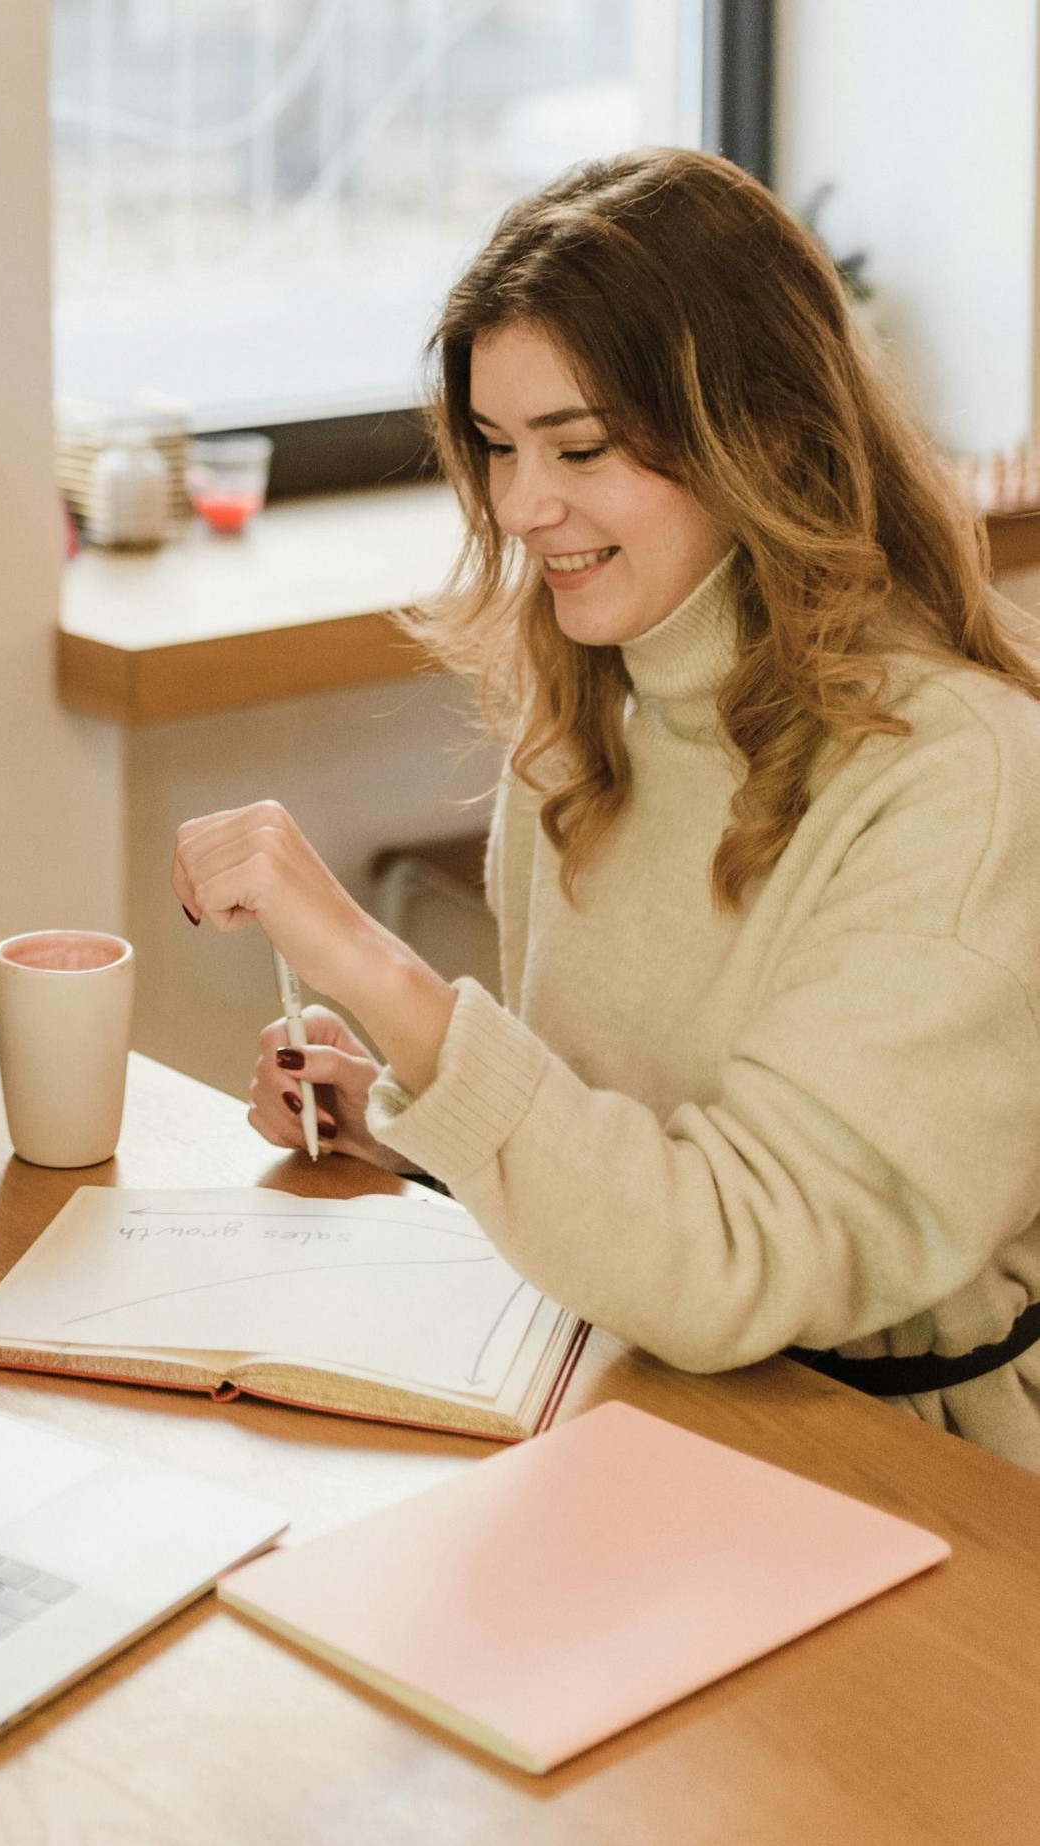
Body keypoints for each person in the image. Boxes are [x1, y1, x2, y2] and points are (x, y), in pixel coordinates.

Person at [171, 147, 1040, 1471]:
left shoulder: (961, 778)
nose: (522, 507)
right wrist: (425, 1131)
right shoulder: (588, 718)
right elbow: (624, 1160)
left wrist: (382, 975)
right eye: (497, 447)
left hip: (909, 1465)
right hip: (641, 1390)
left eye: (579, 447)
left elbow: (730, 1260)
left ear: (761, 432)